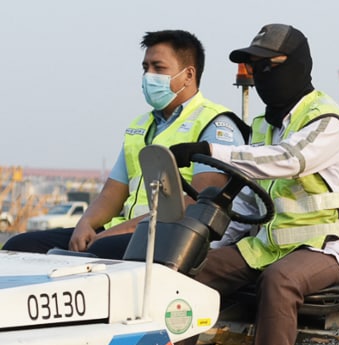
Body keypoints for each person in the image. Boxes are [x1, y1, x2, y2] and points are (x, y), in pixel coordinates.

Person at [168, 23, 339, 345]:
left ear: (298, 65)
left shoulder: (328, 121)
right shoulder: (265, 126)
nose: (261, 74)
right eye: (254, 66)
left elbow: (288, 160)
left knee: (280, 280)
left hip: (332, 247)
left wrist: (211, 151)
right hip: (271, 244)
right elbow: (251, 202)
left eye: (270, 65)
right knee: (189, 274)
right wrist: (210, 244)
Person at [4, 30, 245, 258]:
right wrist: (85, 223)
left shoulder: (215, 124)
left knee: (99, 251)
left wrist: (114, 233)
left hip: (172, 237)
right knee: (20, 246)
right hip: (127, 232)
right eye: (145, 67)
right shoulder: (139, 126)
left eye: (158, 68)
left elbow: (199, 202)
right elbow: (112, 193)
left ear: (188, 74)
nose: (148, 75)